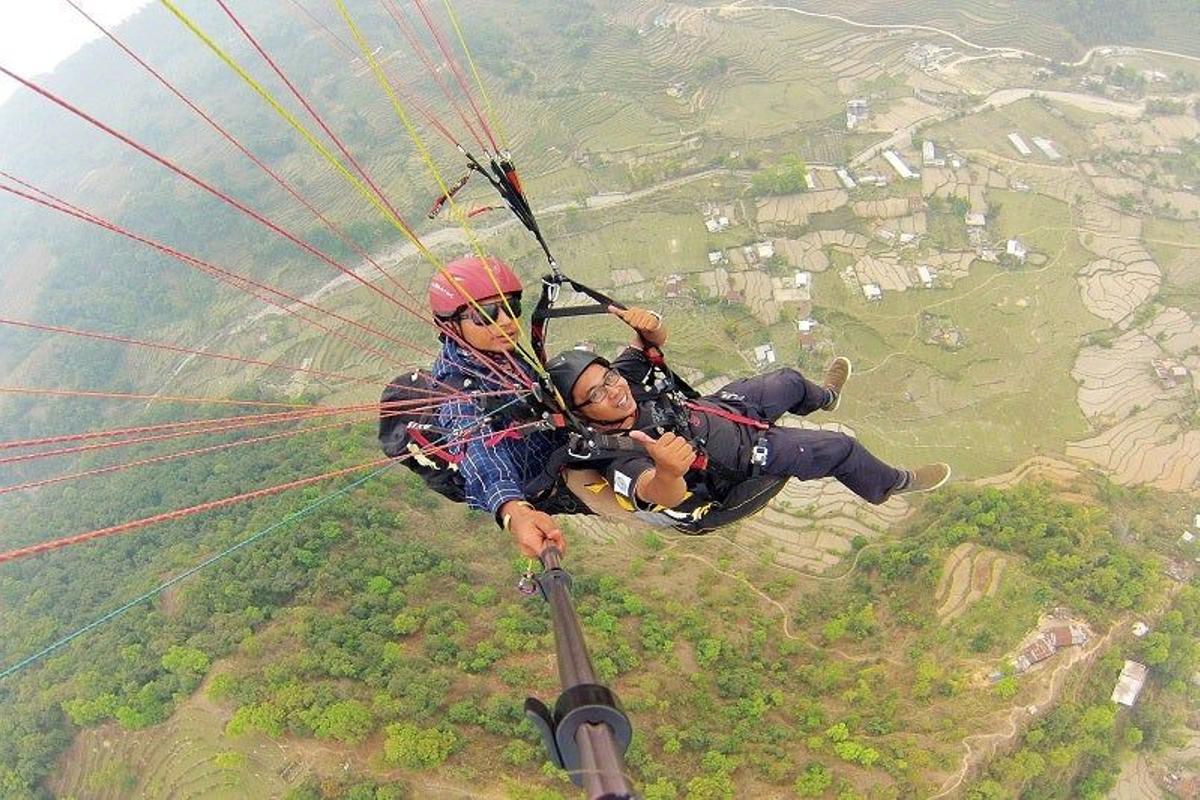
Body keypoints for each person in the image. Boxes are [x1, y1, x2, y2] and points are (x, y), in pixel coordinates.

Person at [545, 307, 950, 528]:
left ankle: (824, 397)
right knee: (838, 447)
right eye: (596, 395)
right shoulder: (615, 452)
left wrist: (650, 323)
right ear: (583, 415)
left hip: (720, 410)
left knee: (787, 381)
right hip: (738, 460)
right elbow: (652, 492)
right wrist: (668, 472)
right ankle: (892, 484)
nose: (614, 391)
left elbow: (647, 342)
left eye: (609, 378)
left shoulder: (622, 385)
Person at [428, 255, 571, 558]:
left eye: (511, 308)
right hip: (541, 478)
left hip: (554, 443)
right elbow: (474, 445)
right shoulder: (456, 390)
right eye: (485, 315)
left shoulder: (494, 349)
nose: (506, 321)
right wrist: (514, 512)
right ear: (452, 327)